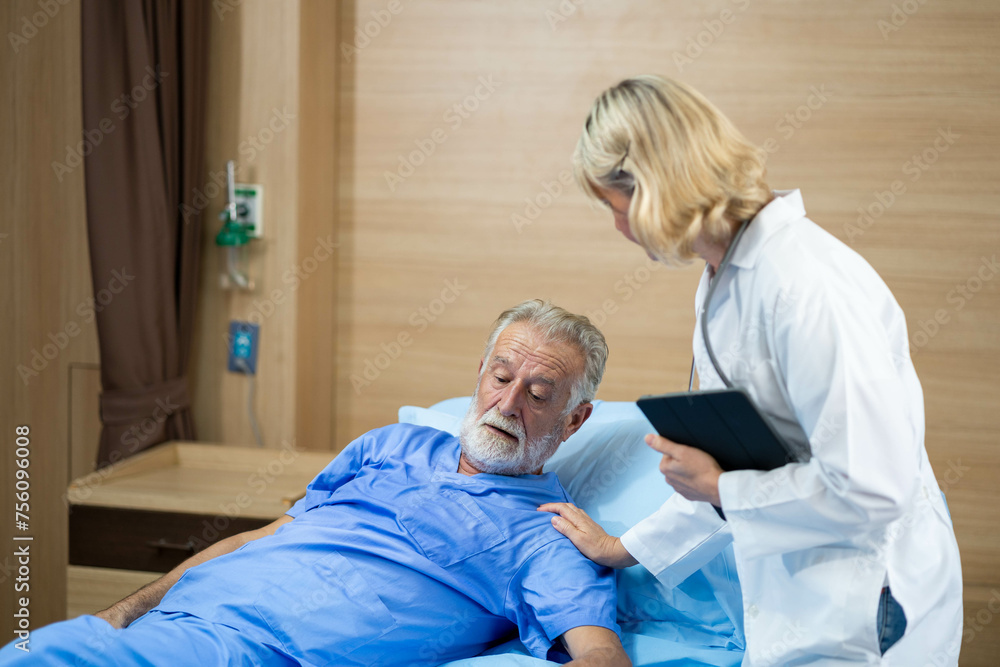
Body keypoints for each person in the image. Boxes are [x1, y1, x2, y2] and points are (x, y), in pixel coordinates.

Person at [541, 75, 963, 665]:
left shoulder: (807, 287)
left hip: (870, 604)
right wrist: (623, 548)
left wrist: (721, 488)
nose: (618, 227)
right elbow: (740, 458)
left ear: (653, 187)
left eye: (616, 207)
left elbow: (873, 488)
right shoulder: (726, 280)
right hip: (801, 595)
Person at [2, 301, 630, 667]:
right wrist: (119, 615)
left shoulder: (547, 534)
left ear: (574, 421)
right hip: (182, 623)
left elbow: (601, 654)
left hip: (268, 653)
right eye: (501, 377)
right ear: (479, 375)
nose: (508, 404)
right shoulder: (391, 444)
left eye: (538, 394)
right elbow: (266, 537)